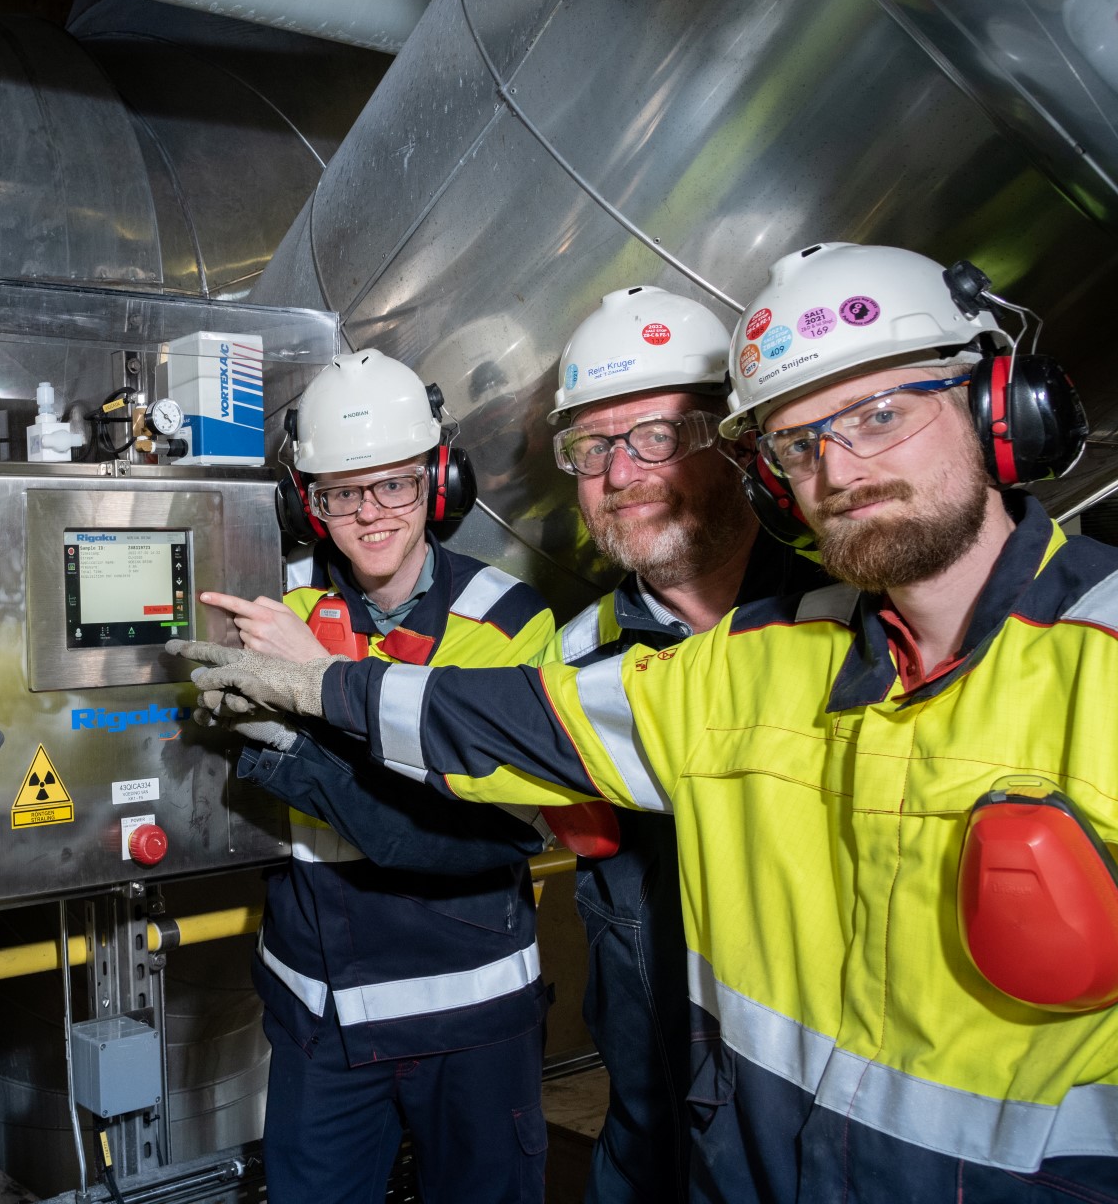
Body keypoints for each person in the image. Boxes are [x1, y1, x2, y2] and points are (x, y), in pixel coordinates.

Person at [178, 243, 1117, 1200]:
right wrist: (320, 691)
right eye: (593, 449)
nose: (840, 468)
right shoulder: (661, 666)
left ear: (1003, 411)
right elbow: (488, 725)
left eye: (882, 414)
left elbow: (472, 818)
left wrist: (310, 719)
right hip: (692, 1137)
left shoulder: (832, 646)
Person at [197, 348, 554, 1202]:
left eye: (392, 484)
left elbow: (476, 837)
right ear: (308, 505)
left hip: (470, 1023)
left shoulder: (505, 626)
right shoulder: (274, 617)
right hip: (322, 1023)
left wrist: (311, 705)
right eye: (341, 493)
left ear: (438, 483)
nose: (370, 514)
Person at [545, 287, 822, 1202]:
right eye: (593, 447)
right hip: (646, 1107)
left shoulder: (849, 619)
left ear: (736, 444)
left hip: (818, 1124)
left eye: (658, 435)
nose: (622, 474)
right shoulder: (575, 656)